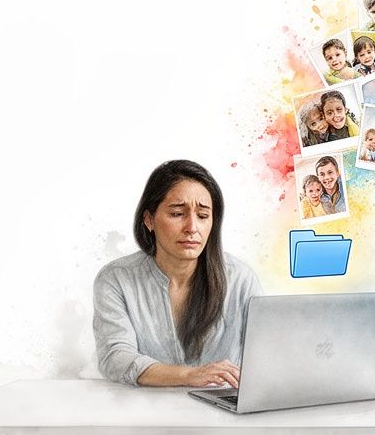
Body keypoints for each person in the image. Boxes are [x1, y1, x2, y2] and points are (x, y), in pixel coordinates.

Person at [93, 160, 263, 388]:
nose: (192, 227)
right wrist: (188, 375)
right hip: (145, 412)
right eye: (177, 213)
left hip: (224, 416)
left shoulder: (240, 278)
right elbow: (115, 358)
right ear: (149, 220)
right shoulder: (116, 279)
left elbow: (268, 353)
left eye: (203, 216)